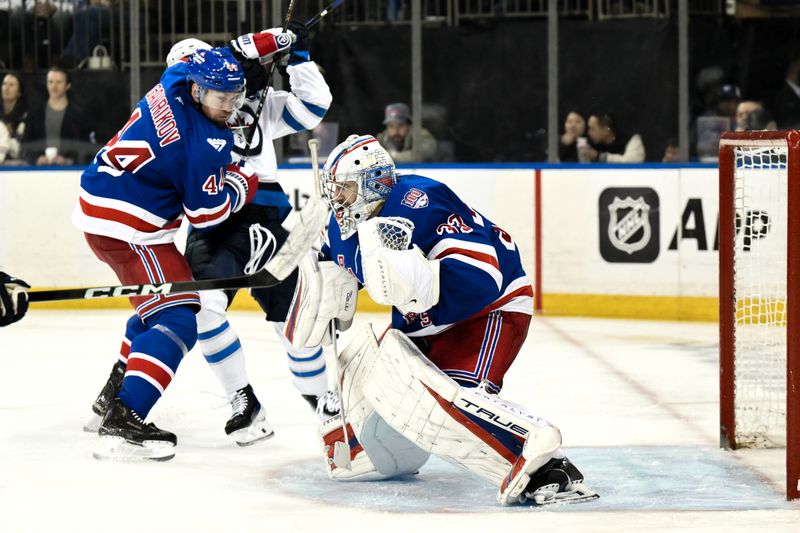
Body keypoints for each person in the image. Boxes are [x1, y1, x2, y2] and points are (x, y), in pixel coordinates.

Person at [284, 134, 598, 506]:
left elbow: (485, 275)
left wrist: (417, 283)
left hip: (488, 311)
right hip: (422, 326)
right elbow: (331, 259)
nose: (339, 200)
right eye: (335, 190)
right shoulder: (343, 225)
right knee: (379, 378)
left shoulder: (420, 201)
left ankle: (546, 464)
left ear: (375, 183)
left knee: (442, 404)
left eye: (347, 189)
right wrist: (321, 282)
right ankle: (375, 449)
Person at [73, 46, 258, 461]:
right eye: (219, 98)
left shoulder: (174, 79)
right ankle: (124, 416)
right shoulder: (204, 144)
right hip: (133, 228)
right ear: (197, 90)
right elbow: (206, 214)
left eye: (234, 97)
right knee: (178, 317)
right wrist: (243, 182)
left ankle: (114, 395)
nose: (228, 107)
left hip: (102, 205)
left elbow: (223, 54)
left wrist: (266, 42)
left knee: (155, 310)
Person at [176, 22, 339, 445]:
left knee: (297, 318)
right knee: (203, 307)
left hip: (269, 213)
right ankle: (243, 401)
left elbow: (314, 105)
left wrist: (298, 59)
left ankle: (326, 406)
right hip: (213, 219)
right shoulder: (176, 124)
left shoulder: (255, 103)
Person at [22, 64, 94, 165]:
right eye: (50, 82)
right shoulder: (35, 114)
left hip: (70, 171)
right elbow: (26, 145)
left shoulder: (78, 115)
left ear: (67, 85)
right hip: (38, 171)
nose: (54, 86)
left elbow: (86, 146)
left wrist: (69, 160)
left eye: (59, 82)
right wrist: (36, 159)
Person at [580, 112, 645, 163]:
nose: (588, 132)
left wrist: (600, 157)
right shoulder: (589, 144)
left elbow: (631, 163)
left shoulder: (633, 140)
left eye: (592, 129)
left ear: (606, 130)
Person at [0, 71, 27, 164]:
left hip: (15, 164)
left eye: (11, 85)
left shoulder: (25, 117)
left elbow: (17, 150)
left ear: (19, 92)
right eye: (4, 84)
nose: (6, 88)